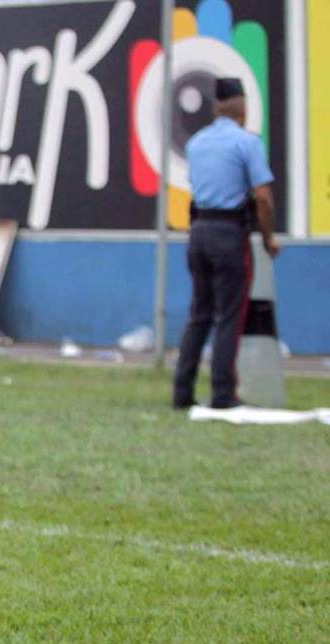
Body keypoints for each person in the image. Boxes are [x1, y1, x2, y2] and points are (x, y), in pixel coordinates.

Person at [173, 77, 280, 410]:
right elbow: (263, 198)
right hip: (229, 234)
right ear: (244, 108)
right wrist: (267, 238)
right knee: (230, 315)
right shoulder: (247, 144)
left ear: (215, 107)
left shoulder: (197, 143)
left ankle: (182, 390)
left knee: (199, 314)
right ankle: (223, 392)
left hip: (199, 231)